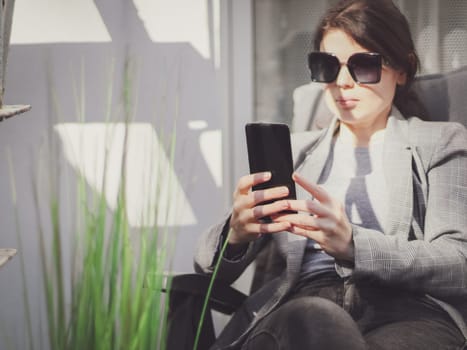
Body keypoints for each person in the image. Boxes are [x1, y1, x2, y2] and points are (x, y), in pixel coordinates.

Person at [194, 0, 467, 348]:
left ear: (402, 68)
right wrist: (236, 234)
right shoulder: (294, 152)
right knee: (315, 319)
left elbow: (458, 262)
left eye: (363, 65)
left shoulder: (438, 141)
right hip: (302, 306)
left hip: (405, 309)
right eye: (326, 65)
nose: (341, 82)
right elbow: (207, 266)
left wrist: (354, 244)